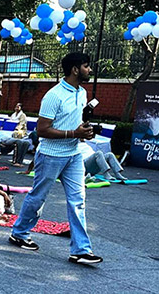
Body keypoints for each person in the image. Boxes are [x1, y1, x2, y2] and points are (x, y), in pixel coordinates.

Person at [10, 52, 103, 265]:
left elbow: (75, 122)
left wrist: (84, 132)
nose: (89, 70)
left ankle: (81, 250)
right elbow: (42, 130)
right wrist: (73, 133)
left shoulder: (82, 93)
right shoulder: (54, 95)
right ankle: (19, 233)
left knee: (78, 201)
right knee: (38, 197)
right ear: (75, 69)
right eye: (86, 66)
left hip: (74, 155)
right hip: (50, 155)